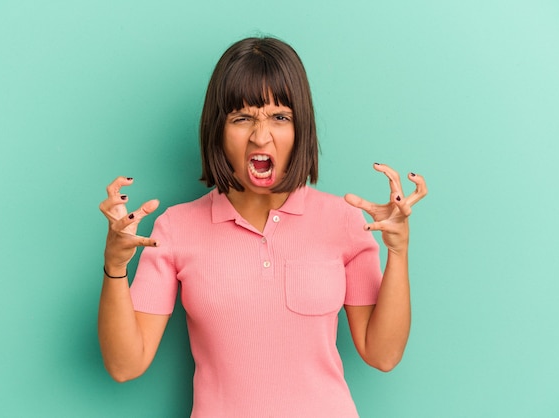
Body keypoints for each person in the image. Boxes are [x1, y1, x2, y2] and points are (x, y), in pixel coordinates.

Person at [98, 37, 427, 418]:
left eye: (279, 117)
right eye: (242, 118)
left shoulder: (345, 223)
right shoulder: (175, 228)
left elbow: (382, 354)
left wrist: (398, 251)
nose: (260, 135)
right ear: (218, 130)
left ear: (300, 127)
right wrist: (115, 266)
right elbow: (125, 365)